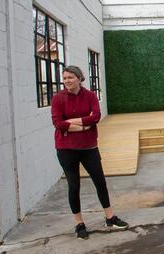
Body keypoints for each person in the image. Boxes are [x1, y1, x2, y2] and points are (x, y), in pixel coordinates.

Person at [51, 65, 128, 239]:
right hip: (66, 149)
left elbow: (96, 117)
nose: (67, 81)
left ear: (79, 78)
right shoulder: (58, 98)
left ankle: (110, 218)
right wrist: (83, 126)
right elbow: (58, 123)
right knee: (74, 186)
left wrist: (73, 122)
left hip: (89, 148)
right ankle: (79, 224)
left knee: (100, 182)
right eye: (64, 78)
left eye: (70, 77)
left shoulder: (90, 96)